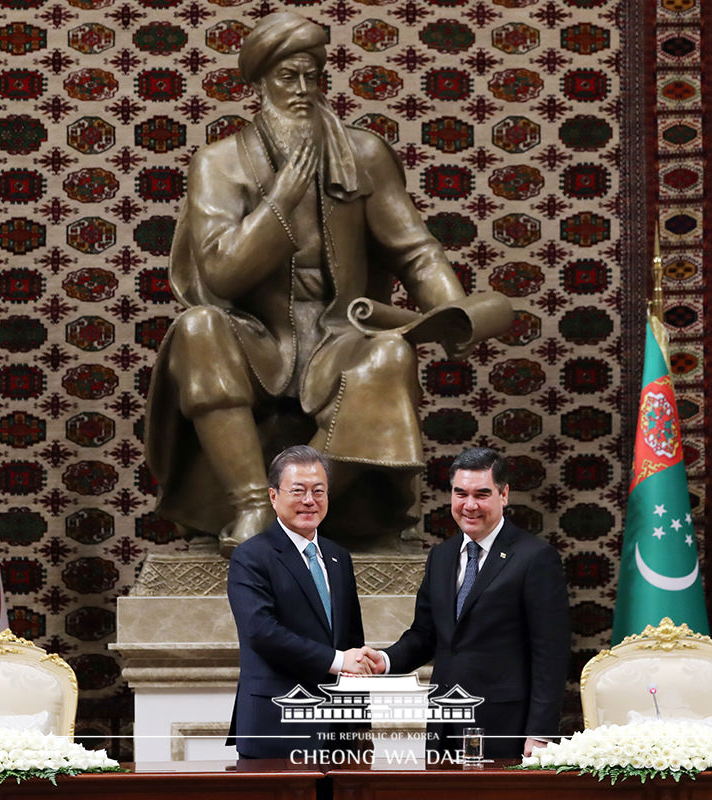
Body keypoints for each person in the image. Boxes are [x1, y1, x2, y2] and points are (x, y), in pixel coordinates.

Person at [144, 12, 509, 555]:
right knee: (198, 327)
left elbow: (416, 252)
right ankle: (251, 504)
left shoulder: (363, 156)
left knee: (389, 356)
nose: (302, 90)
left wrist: (453, 311)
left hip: (339, 335)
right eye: (287, 77)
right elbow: (220, 273)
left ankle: (296, 511)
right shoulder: (219, 164)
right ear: (260, 82)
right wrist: (281, 201)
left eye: (312, 76)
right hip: (257, 338)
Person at [363, 447, 570, 759]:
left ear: (504, 494)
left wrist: (540, 733)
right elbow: (425, 634)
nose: (469, 505)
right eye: (460, 493)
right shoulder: (441, 556)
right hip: (445, 721)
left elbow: (550, 655)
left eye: (482, 494)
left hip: (504, 724)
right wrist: (385, 660)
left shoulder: (535, 558)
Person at [226, 445, 374, 759]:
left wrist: (361, 724)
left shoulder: (338, 557)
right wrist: (337, 661)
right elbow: (261, 632)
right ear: (273, 496)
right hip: (276, 723)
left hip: (337, 731)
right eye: (298, 490)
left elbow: (351, 640)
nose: (309, 500)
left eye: (319, 491)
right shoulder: (251, 556)